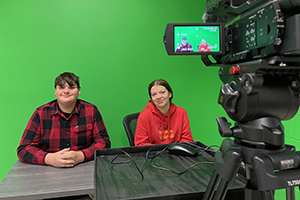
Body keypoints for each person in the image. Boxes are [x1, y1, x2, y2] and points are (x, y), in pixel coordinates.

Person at [17, 72, 111, 168]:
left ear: (79, 90)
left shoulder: (91, 110)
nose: (66, 91)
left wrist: (81, 156)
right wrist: (50, 159)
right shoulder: (40, 113)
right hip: (48, 170)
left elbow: (104, 143)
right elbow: (24, 149)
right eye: (61, 87)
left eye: (71, 87)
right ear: (55, 91)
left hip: (84, 166)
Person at [134, 79, 194, 146]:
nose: (158, 97)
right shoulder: (144, 115)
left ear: (170, 94)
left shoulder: (181, 113)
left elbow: (187, 140)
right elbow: (140, 143)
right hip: (154, 154)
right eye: (154, 94)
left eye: (162, 92)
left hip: (177, 153)